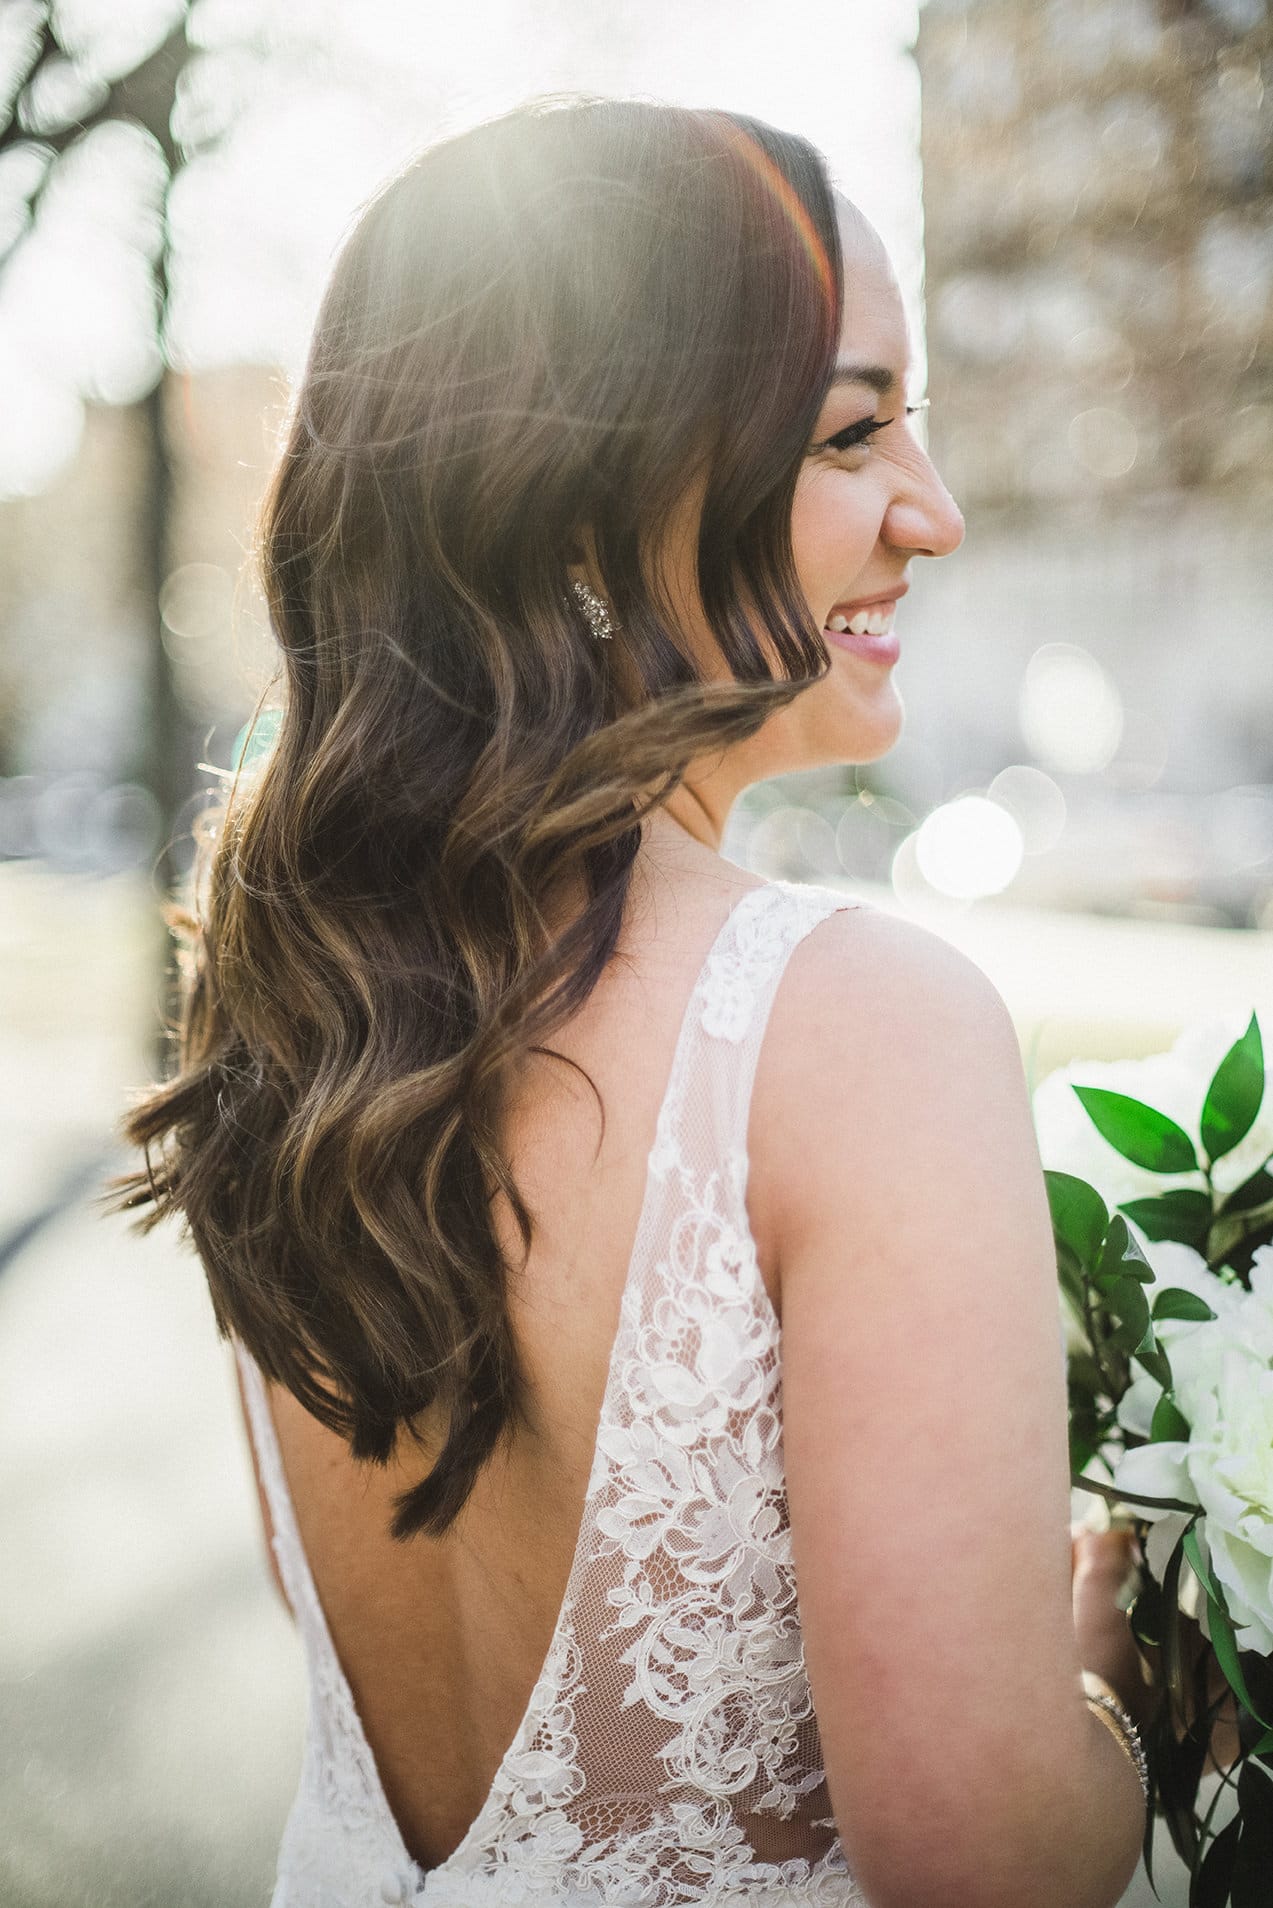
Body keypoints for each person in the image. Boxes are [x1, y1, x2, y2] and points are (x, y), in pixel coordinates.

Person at [112, 98, 1154, 1907]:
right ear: (592, 497)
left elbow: (327, 1597)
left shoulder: (296, 1008)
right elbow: (984, 1858)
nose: (938, 511)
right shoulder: (856, 1031)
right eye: (850, 433)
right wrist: (1115, 1694)